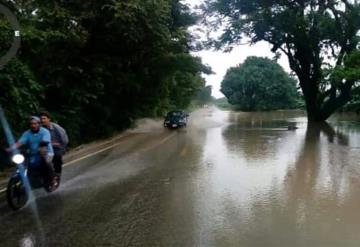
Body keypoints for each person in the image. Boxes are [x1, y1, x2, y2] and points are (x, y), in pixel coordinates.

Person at [8, 116, 56, 189]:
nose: (33, 126)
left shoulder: (45, 132)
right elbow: (20, 142)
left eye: (35, 124)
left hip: (46, 152)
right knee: (24, 163)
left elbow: (45, 141)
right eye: (31, 124)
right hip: (32, 154)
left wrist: (42, 148)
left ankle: (52, 179)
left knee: (46, 162)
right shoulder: (27, 133)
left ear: (39, 124)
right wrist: (10, 149)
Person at [39, 111, 69, 176]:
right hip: (45, 148)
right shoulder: (40, 129)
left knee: (57, 156)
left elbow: (64, 140)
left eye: (44, 118)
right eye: (41, 119)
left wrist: (60, 146)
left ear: (49, 119)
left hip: (57, 147)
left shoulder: (56, 127)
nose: (42, 120)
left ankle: (58, 173)